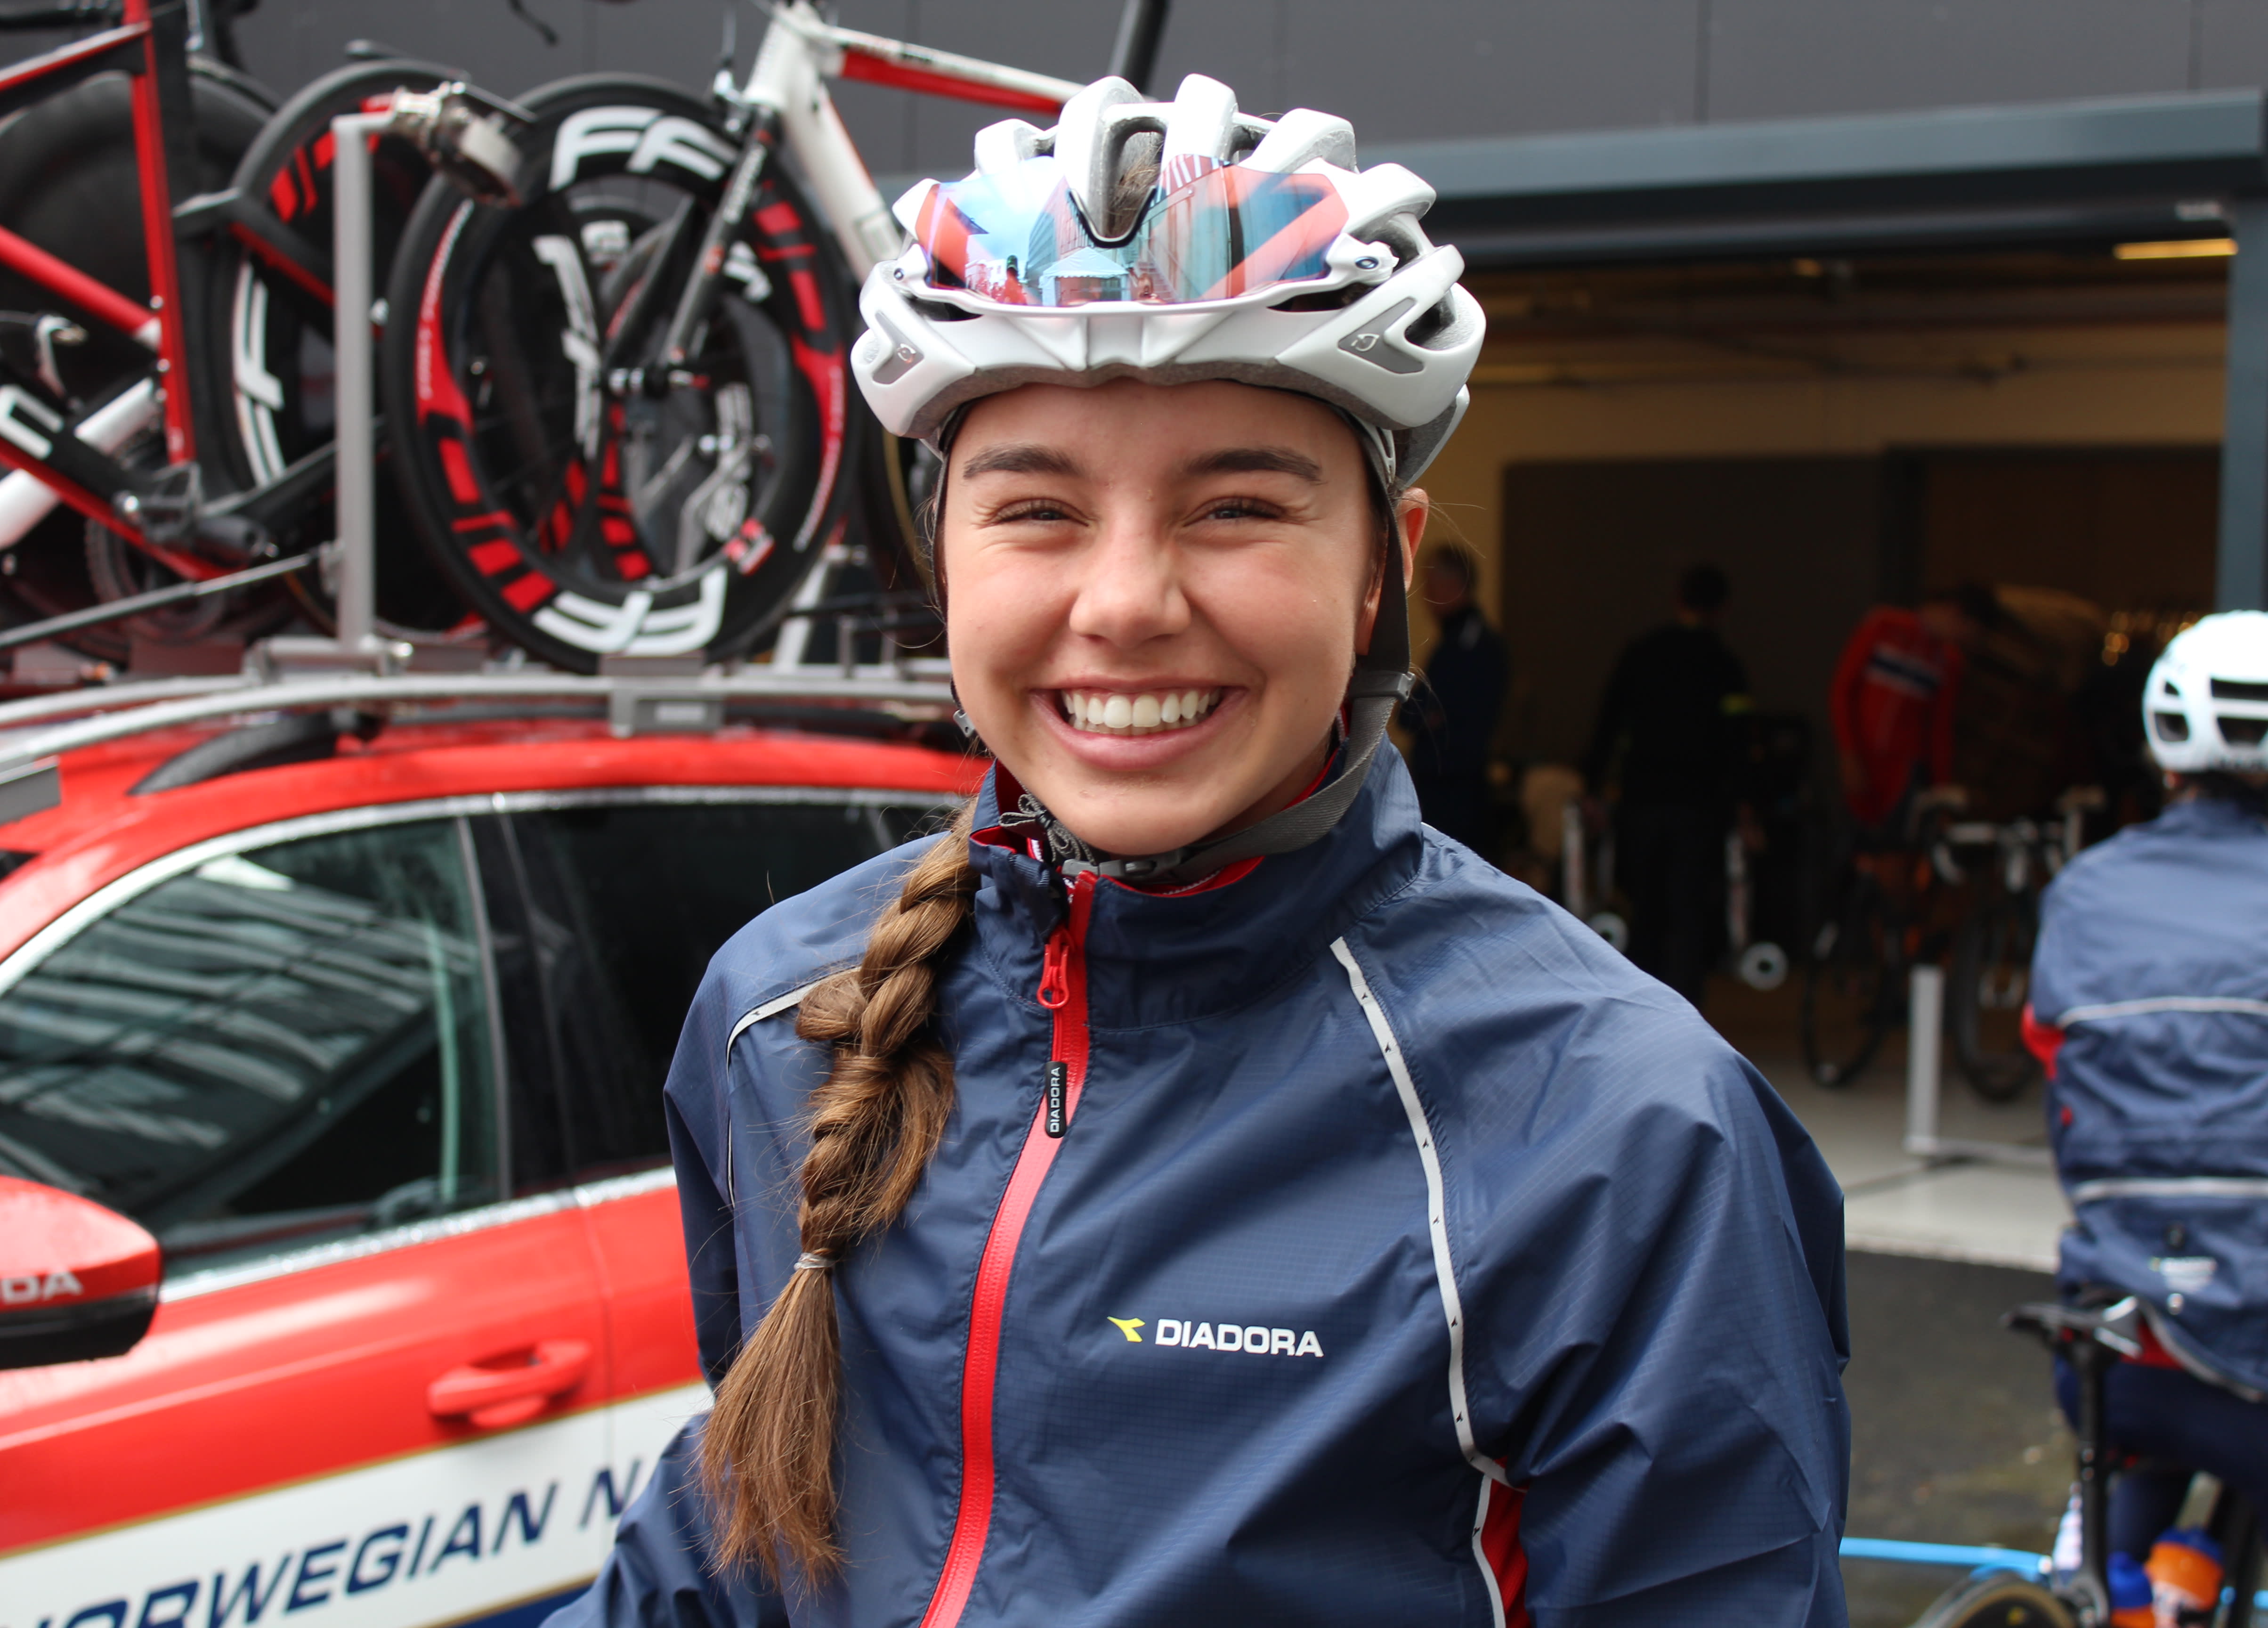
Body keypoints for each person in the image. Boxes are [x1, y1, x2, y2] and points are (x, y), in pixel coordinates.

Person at [554, 73, 1849, 1628]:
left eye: (1235, 506)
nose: (1123, 604)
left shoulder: (1619, 1125)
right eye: (1036, 510)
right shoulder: (778, 1008)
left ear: (1382, 572)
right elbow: (733, 1547)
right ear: (942, 559)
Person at [2023, 611, 2268, 1589]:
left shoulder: (2084, 892)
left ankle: (2088, 1583)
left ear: (2165, 752)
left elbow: (2056, 1063)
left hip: (2118, 1344)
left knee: (2148, 1442)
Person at [1579, 564, 1753, 1009]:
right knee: (1689, 913)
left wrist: (1593, 786)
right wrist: (1742, 804)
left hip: (1642, 800)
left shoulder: (1643, 654)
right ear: (1724, 609)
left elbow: (1608, 723)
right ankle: (1686, 1011)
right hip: (1697, 805)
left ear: (1678, 599)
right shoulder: (1723, 664)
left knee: (1645, 908)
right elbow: (1738, 741)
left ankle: (1642, 1006)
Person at [1827, 586, 1999, 831]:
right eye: (1968, 633)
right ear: (1956, 613)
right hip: (1862, 759)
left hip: (1904, 773)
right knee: (1851, 840)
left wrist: (1941, 792)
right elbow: (1843, 690)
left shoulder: (1949, 661)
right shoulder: (1884, 626)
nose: (1964, 641)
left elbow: (1940, 730)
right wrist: (1848, 752)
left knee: (1896, 845)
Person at [1400, 537, 1507, 852]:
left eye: (1432, 586)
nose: (1427, 598)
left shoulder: (1474, 646)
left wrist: (1432, 717)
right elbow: (1410, 716)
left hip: (1456, 794)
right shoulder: (1453, 642)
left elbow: (1462, 724)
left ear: (1455, 586)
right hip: (1439, 786)